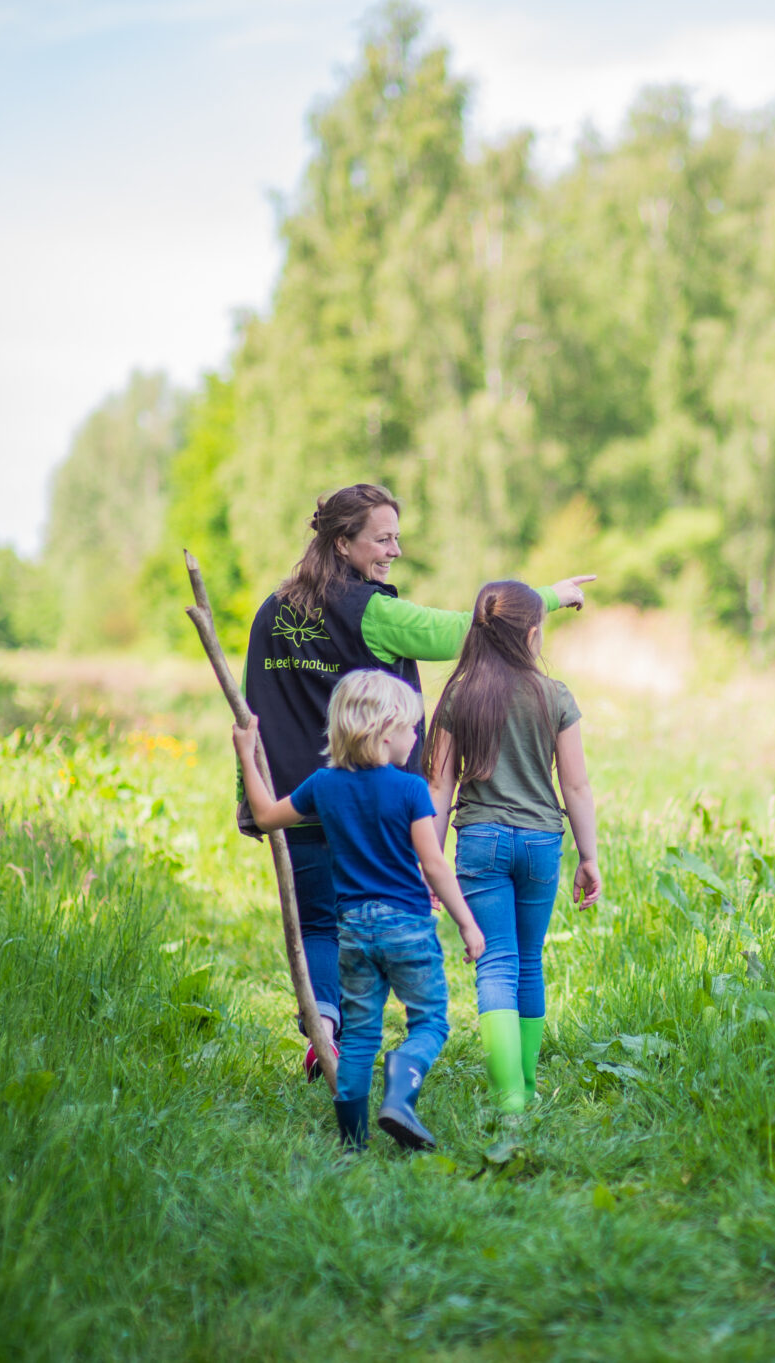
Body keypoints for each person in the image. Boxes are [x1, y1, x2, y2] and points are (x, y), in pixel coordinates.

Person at [242, 483, 593, 1081]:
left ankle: (325, 1030)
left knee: (320, 926)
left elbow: (258, 705)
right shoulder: (371, 612)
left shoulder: (273, 610)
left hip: (295, 794)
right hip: (374, 800)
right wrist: (547, 597)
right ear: (342, 541)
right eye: (383, 539)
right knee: (381, 916)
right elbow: (473, 628)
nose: (394, 552)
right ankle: (403, 1039)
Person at [233, 670, 484, 1152]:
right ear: (385, 730)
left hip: (353, 930)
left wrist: (247, 751)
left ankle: (352, 1143)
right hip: (407, 925)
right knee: (430, 1022)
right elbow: (432, 863)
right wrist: (467, 924)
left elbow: (266, 817)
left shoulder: (323, 785)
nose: (416, 737)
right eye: (411, 728)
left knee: (362, 1031)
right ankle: (400, 1087)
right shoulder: (410, 790)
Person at [425, 579, 601, 1115]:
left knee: (494, 962)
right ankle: (526, 1081)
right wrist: (589, 856)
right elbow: (575, 786)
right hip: (543, 843)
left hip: (480, 841)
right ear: (530, 632)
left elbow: (438, 785)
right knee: (529, 960)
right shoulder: (555, 695)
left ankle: (510, 1101)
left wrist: (428, 865)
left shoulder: (459, 695)